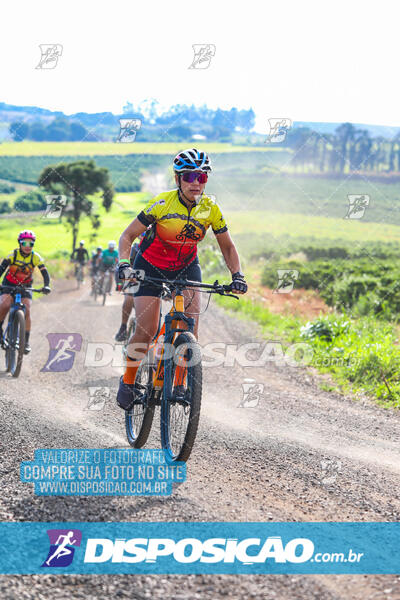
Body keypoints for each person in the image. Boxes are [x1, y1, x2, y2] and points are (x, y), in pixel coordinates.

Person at [115, 148, 248, 410]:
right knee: (147, 329)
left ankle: (178, 384)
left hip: (186, 266)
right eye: (189, 176)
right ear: (178, 179)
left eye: (202, 177)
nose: (196, 183)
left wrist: (237, 275)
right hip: (150, 265)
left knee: (191, 328)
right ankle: (128, 381)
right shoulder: (162, 203)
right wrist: (123, 263)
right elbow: (126, 236)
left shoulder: (211, 209)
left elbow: (228, 247)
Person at [0, 230, 51, 354]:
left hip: (26, 286)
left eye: (31, 244)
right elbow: (1, 270)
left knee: (27, 309)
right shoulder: (12, 255)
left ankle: (26, 342)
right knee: (4, 305)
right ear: (20, 243)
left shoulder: (36, 257)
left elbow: (45, 273)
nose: (27, 246)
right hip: (9, 285)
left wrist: (46, 286)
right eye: (25, 243)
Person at [114, 233, 146, 342]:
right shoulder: (134, 249)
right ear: (138, 237)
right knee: (129, 298)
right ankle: (123, 327)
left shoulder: (157, 249)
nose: (144, 236)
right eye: (143, 234)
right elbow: (121, 267)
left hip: (151, 279)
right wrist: (120, 282)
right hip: (134, 277)